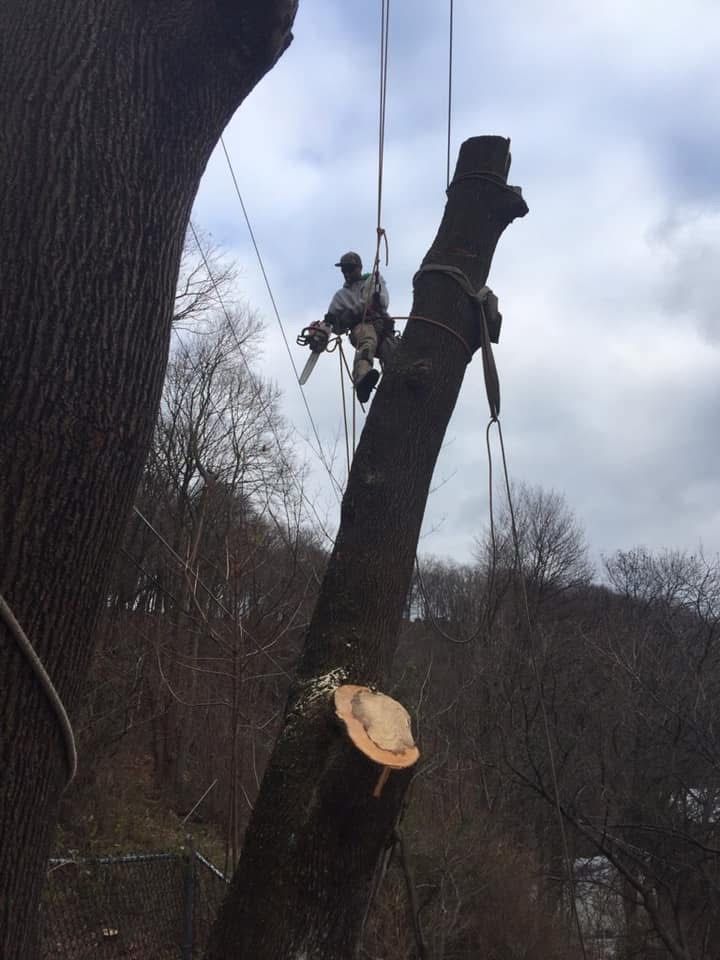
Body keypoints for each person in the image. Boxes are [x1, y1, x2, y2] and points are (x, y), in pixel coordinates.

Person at [325, 251, 396, 403]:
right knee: (368, 340)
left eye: (350, 269)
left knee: (395, 355)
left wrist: (374, 302)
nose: (347, 273)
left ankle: (399, 389)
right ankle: (362, 378)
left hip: (382, 327)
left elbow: (383, 301)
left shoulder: (373, 280)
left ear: (359, 268)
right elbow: (334, 325)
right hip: (361, 327)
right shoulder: (341, 296)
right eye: (344, 270)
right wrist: (332, 322)